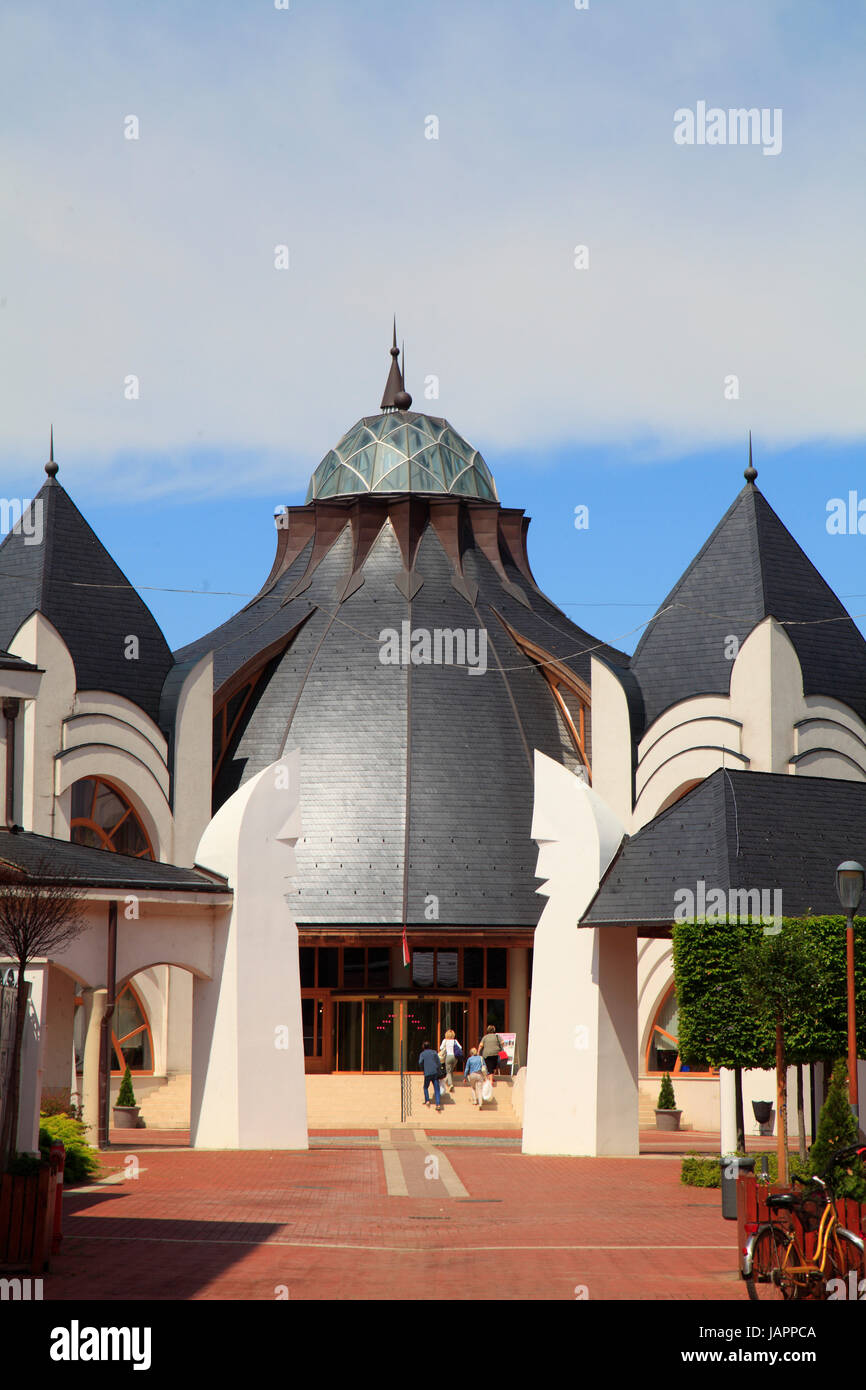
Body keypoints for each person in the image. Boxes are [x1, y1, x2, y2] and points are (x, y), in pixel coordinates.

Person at [437, 1028, 463, 1095]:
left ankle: (450, 1084)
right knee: (451, 1070)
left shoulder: (445, 1041)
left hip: (448, 1056)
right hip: (455, 1058)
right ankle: (448, 1081)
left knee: (448, 1071)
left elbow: (441, 1048)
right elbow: (460, 1047)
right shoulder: (455, 1041)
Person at [418, 1040, 442, 1111]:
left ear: (423, 1047)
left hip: (427, 1073)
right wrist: (438, 1069)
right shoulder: (434, 1052)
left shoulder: (422, 1054)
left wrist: (423, 1068)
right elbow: (438, 1062)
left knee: (425, 1087)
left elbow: (420, 1062)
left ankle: (427, 1100)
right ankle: (438, 1104)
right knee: (437, 1089)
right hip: (435, 1073)